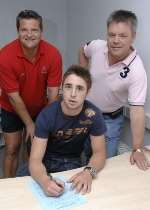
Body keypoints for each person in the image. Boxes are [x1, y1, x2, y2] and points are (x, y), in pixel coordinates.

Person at [79, 9, 149, 170]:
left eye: (123, 36)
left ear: (133, 37)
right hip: (83, 113)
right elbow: (82, 51)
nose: (116, 40)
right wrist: (82, 77)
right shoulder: (97, 46)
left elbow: (137, 110)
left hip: (109, 121)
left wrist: (137, 148)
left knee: (102, 167)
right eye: (112, 35)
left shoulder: (137, 70)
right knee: (80, 159)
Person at [0, 10, 62, 177]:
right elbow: (13, 97)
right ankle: (8, 187)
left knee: (33, 149)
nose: (29, 34)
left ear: (41, 32)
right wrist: (29, 124)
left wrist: (45, 121)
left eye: (34, 30)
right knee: (12, 149)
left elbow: (53, 93)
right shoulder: (5, 56)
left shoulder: (53, 54)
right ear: (18, 31)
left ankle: (28, 185)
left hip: (39, 109)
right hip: (11, 108)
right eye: (24, 30)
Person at [29, 65, 106, 196]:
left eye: (80, 88)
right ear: (62, 88)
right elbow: (35, 160)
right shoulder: (47, 115)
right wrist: (44, 181)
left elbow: (100, 153)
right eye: (68, 86)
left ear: (87, 92)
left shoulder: (93, 114)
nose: (73, 94)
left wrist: (88, 173)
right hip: (46, 161)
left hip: (73, 160)